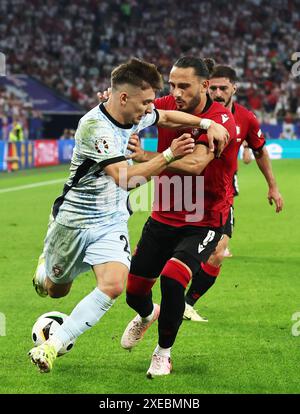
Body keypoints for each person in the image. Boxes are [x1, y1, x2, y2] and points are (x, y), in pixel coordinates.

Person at [28, 57, 229, 374]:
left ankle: (51, 347)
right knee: (56, 290)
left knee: (114, 285)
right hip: (74, 219)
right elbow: (125, 178)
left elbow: (165, 117)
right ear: (124, 98)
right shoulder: (94, 127)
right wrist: (168, 155)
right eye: (146, 102)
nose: (151, 108)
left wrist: (206, 123)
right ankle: (45, 268)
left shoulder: (136, 113)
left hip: (111, 221)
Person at [119, 56, 237, 377]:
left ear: (205, 86)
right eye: (172, 85)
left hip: (204, 219)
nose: (176, 92)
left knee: (173, 279)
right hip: (163, 215)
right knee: (134, 292)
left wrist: (144, 156)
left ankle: (163, 353)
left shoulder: (223, 120)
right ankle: (146, 315)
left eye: (184, 85)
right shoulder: (170, 103)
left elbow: (195, 164)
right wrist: (115, 101)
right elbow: (144, 110)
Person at [183, 63, 284, 322]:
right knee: (174, 252)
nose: (217, 92)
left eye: (223, 88)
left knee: (218, 252)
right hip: (186, 193)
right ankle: (150, 305)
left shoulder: (246, 118)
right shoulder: (193, 113)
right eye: (213, 87)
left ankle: (185, 303)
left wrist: (272, 186)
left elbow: (260, 150)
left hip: (220, 197)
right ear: (205, 86)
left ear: (234, 88)